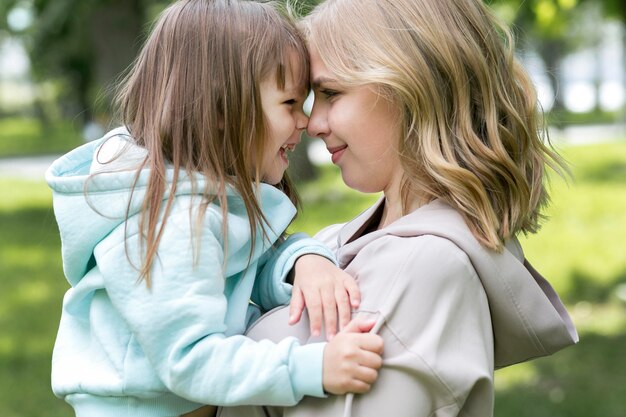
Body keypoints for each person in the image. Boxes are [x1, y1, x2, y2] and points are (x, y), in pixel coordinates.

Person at [217, 0, 579, 416]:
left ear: (412, 88)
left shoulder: (426, 267)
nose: (313, 123)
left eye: (331, 93)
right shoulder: (333, 245)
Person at [45, 1, 384, 416]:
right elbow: (189, 360)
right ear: (224, 108)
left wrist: (303, 260)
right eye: (290, 104)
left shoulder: (205, 202)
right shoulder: (172, 224)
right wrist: (312, 368)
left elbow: (239, 276)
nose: (305, 122)